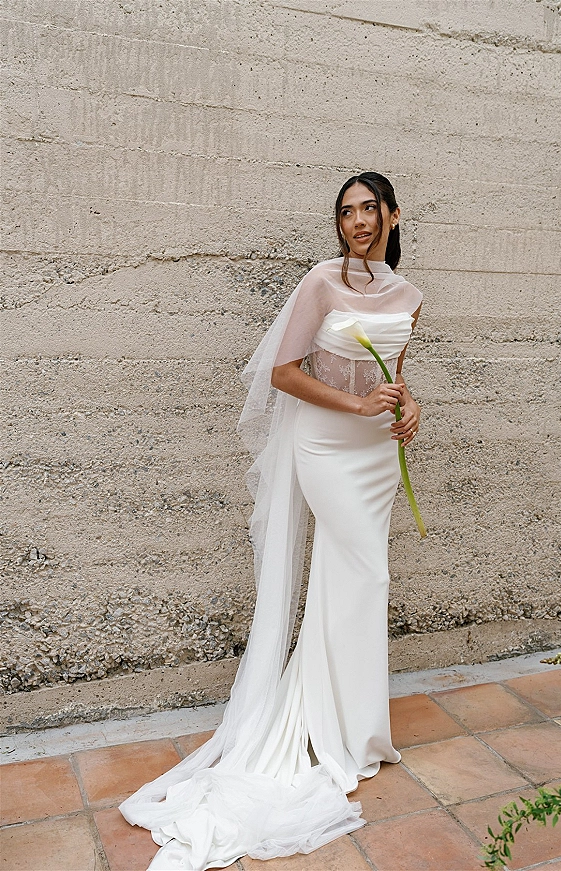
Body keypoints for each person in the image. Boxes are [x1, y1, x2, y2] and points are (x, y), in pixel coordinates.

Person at [119, 171, 423, 871]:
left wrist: (410, 409)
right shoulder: (321, 281)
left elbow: (397, 375)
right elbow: (285, 371)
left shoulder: (409, 297)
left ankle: (351, 728)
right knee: (364, 572)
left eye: (369, 209)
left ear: (393, 215)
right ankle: (328, 727)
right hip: (324, 443)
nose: (358, 221)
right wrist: (355, 408)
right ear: (339, 223)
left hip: (377, 454)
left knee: (356, 582)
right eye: (346, 212)